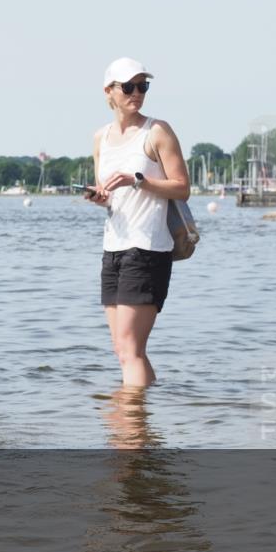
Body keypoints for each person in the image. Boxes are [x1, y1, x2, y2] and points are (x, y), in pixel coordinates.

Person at [84, 58, 190, 387]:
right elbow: (112, 196)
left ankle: (133, 426)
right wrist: (101, 198)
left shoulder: (157, 131)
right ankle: (137, 420)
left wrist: (138, 179)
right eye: (128, 86)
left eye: (143, 86)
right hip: (113, 247)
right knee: (123, 349)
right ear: (109, 91)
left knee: (131, 348)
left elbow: (183, 188)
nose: (137, 93)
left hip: (147, 248)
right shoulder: (100, 138)